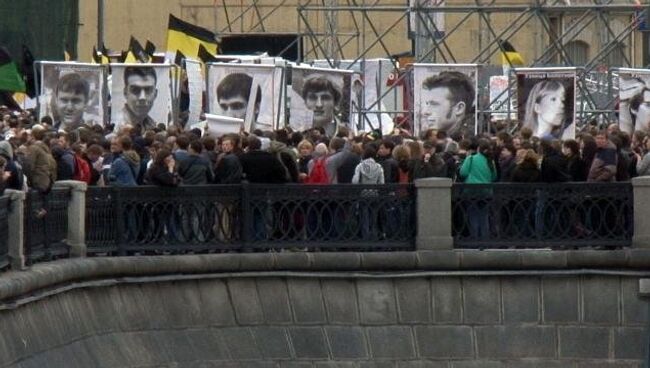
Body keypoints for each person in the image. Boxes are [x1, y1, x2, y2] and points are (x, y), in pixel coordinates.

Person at [420, 71, 475, 136]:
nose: (425, 112)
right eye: (427, 104)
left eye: (434, 104)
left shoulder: (472, 143)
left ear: (459, 108)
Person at [120, 66, 158, 132]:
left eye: (148, 90)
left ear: (155, 94)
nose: (142, 97)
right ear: (125, 92)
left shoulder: (152, 125)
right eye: (135, 90)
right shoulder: (118, 126)